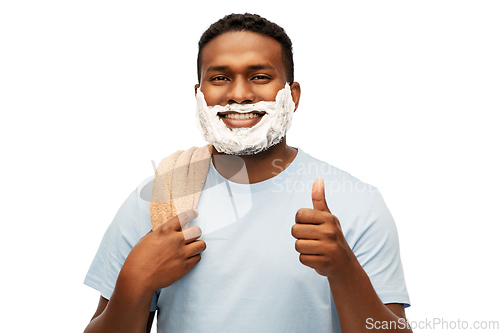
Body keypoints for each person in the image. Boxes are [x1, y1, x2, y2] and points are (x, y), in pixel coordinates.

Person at [84, 13, 411, 333]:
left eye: (259, 77)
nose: (239, 94)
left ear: (292, 96)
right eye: (220, 78)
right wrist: (134, 281)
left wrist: (344, 270)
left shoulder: (357, 204)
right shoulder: (160, 198)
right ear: (198, 96)